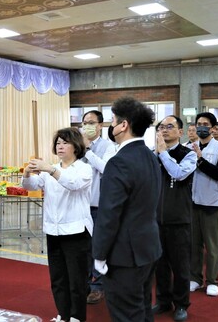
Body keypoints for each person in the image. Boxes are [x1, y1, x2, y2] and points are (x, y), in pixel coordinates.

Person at [92, 97, 162, 321]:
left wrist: (100, 254)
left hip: (124, 254)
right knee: (141, 309)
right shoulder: (151, 157)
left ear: (124, 125)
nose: (110, 127)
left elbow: (109, 214)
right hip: (148, 247)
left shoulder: (119, 161)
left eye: (112, 121)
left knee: (125, 314)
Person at [22, 127, 93, 322]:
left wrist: (51, 170)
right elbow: (31, 186)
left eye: (65, 143)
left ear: (76, 146)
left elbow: (73, 183)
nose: (60, 146)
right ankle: (63, 314)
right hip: (53, 231)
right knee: (58, 279)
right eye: (58, 143)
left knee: (77, 280)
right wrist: (27, 173)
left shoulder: (83, 168)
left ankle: (77, 317)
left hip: (76, 231)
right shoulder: (50, 168)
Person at [153, 115, 196, 322]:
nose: (164, 130)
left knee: (180, 265)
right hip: (155, 219)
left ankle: (181, 304)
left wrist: (162, 153)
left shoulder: (188, 154)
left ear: (180, 132)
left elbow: (179, 174)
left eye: (170, 127)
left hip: (179, 218)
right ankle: (163, 300)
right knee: (159, 264)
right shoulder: (152, 155)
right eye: (161, 127)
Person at [189, 112, 218, 297]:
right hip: (194, 202)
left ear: (213, 128)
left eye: (205, 124)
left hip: (213, 203)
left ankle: (212, 280)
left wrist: (200, 159)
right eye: (198, 124)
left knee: (212, 246)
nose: (201, 127)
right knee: (194, 244)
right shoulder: (190, 147)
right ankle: (195, 278)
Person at [80, 110, 116, 305]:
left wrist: (88, 151)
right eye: (84, 122)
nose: (87, 126)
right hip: (81, 205)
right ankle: (84, 283)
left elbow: (107, 169)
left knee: (98, 247)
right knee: (83, 247)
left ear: (100, 125)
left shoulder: (108, 146)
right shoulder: (78, 146)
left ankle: (98, 285)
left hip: (98, 206)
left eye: (91, 122)